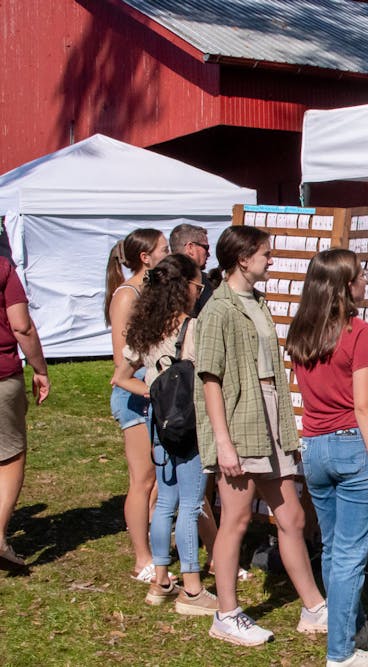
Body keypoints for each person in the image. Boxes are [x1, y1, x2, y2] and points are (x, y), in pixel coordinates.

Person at [195, 225, 326, 646]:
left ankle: (313, 606)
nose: (271, 260)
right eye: (266, 255)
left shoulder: (258, 302)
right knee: (234, 519)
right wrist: (223, 441)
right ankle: (226, 613)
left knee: (292, 516)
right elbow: (209, 379)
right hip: (239, 420)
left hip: (269, 416)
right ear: (243, 258)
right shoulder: (217, 309)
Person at [287, 250, 368, 667]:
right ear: (343, 286)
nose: (366, 281)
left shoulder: (302, 332)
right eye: (359, 276)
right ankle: (340, 653)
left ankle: (353, 626)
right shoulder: (358, 332)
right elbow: (365, 406)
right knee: (350, 555)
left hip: (314, 446)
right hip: (353, 445)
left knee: (335, 549)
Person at [111, 254, 218, 614]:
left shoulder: (147, 328)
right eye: (197, 286)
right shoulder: (193, 328)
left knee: (167, 501)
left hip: (159, 424)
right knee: (190, 504)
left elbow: (121, 376)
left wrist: (154, 391)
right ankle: (192, 589)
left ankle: (160, 578)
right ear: (185, 288)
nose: (198, 292)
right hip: (189, 424)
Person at [169, 223, 251, 583]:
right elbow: (207, 372)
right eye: (204, 245)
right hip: (188, 410)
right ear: (190, 249)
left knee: (170, 492)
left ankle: (168, 565)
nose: (207, 251)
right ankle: (194, 580)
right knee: (191, 496)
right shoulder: (201, 315)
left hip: (172, 412)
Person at [104, 228, 169, 583]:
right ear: (145, 257)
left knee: (160, 478)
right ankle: (141, 557)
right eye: (164, 248)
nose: (169, 252)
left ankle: (158, 548)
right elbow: (121, 356)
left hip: (156, 389)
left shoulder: (153, 292)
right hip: (134, 392)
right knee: (141, 479)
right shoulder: (126, 295)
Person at [0, 258, 50, 570]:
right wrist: (40, 369)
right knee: (10, 456)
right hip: (2, 376)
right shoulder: (3, 268)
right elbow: (21, 325)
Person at [169, 224, 214, 315]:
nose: (208, 254)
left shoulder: (209, 281)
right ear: (190, 247)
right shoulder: (163, 281)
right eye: (206, 248)